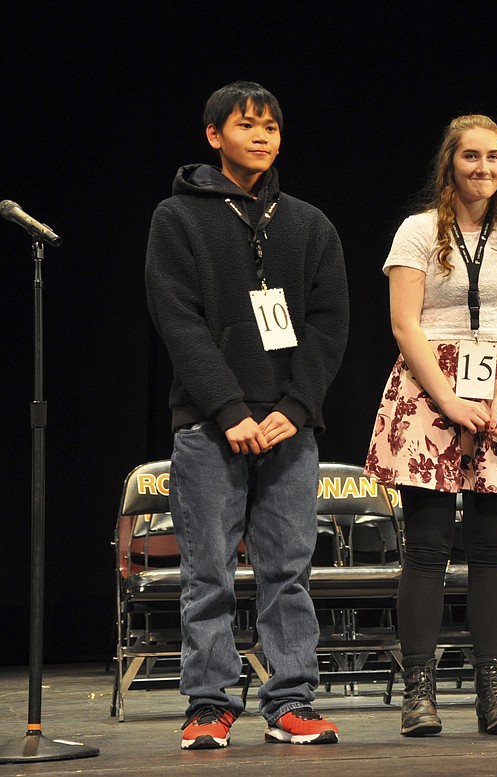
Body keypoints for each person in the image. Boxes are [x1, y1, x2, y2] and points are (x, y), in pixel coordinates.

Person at [145, 81, 348, 749]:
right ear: (214, 135)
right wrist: (229, 408)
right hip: (210, 426)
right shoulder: (177, 218)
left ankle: (291, 698)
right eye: (246, 125)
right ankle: (207, 702)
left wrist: (295, 407)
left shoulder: (309, 223)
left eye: (271, 127)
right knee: (207, 571)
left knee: (287, 571)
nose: (261, 136)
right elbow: (180, 322)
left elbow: (328, 325)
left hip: (289, 429)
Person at [365, 114, 497, 737]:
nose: (484, 169)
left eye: (494, 158)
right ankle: (418, 693)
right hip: (428, 394)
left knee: (492, 552)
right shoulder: (418, 232)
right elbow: (404, 325)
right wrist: (449, 401)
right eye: (471, 157)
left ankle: (492, 692)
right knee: (426, 551)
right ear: (450, 163)